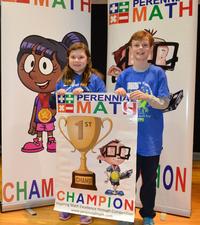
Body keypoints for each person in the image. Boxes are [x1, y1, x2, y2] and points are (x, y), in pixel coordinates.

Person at [115, 30, 170, 225]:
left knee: (148, 183)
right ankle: (124, 213)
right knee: (125, 180)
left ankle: (147, 214)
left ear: (151, 49)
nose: (140, 48)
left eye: (145, 45)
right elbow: (114, 107)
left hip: (150, 140)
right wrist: (119, 93)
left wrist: (148, 97)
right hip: (127, 139)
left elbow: (165, 103)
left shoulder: (158, 73)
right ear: (131, 49)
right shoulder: (124, 75)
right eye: (137, 45)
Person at [56, 41, 106, 224]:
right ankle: (67, 205)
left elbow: (106, 103)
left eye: (81, 57)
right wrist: (58, 96)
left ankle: (86, 207)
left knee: (89, 168)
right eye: (73, 57)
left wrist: (85, 92)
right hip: (68, 133)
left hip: (89, 131)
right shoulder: (62, 79)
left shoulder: (95, 80)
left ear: (88, 59)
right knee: (67, 168)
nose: (77, 60)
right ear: (68, 59)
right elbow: (54, 105)